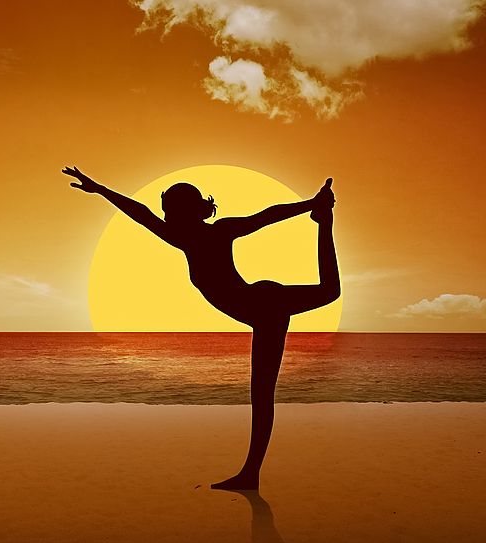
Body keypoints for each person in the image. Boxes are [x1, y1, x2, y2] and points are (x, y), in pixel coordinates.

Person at [63, 166, 339, 490]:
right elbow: (141, 213)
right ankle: (250, 474)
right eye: (165, 211)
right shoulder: (187, 237)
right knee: (267, 389)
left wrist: (309, 204)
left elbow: (265, 217)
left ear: (187, 211)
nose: (164, 217)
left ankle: (323, 221)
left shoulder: (210, 233)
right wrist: (100, 189)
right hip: (263, 305)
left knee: (265, 392)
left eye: (170, 210)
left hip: (264, 307)